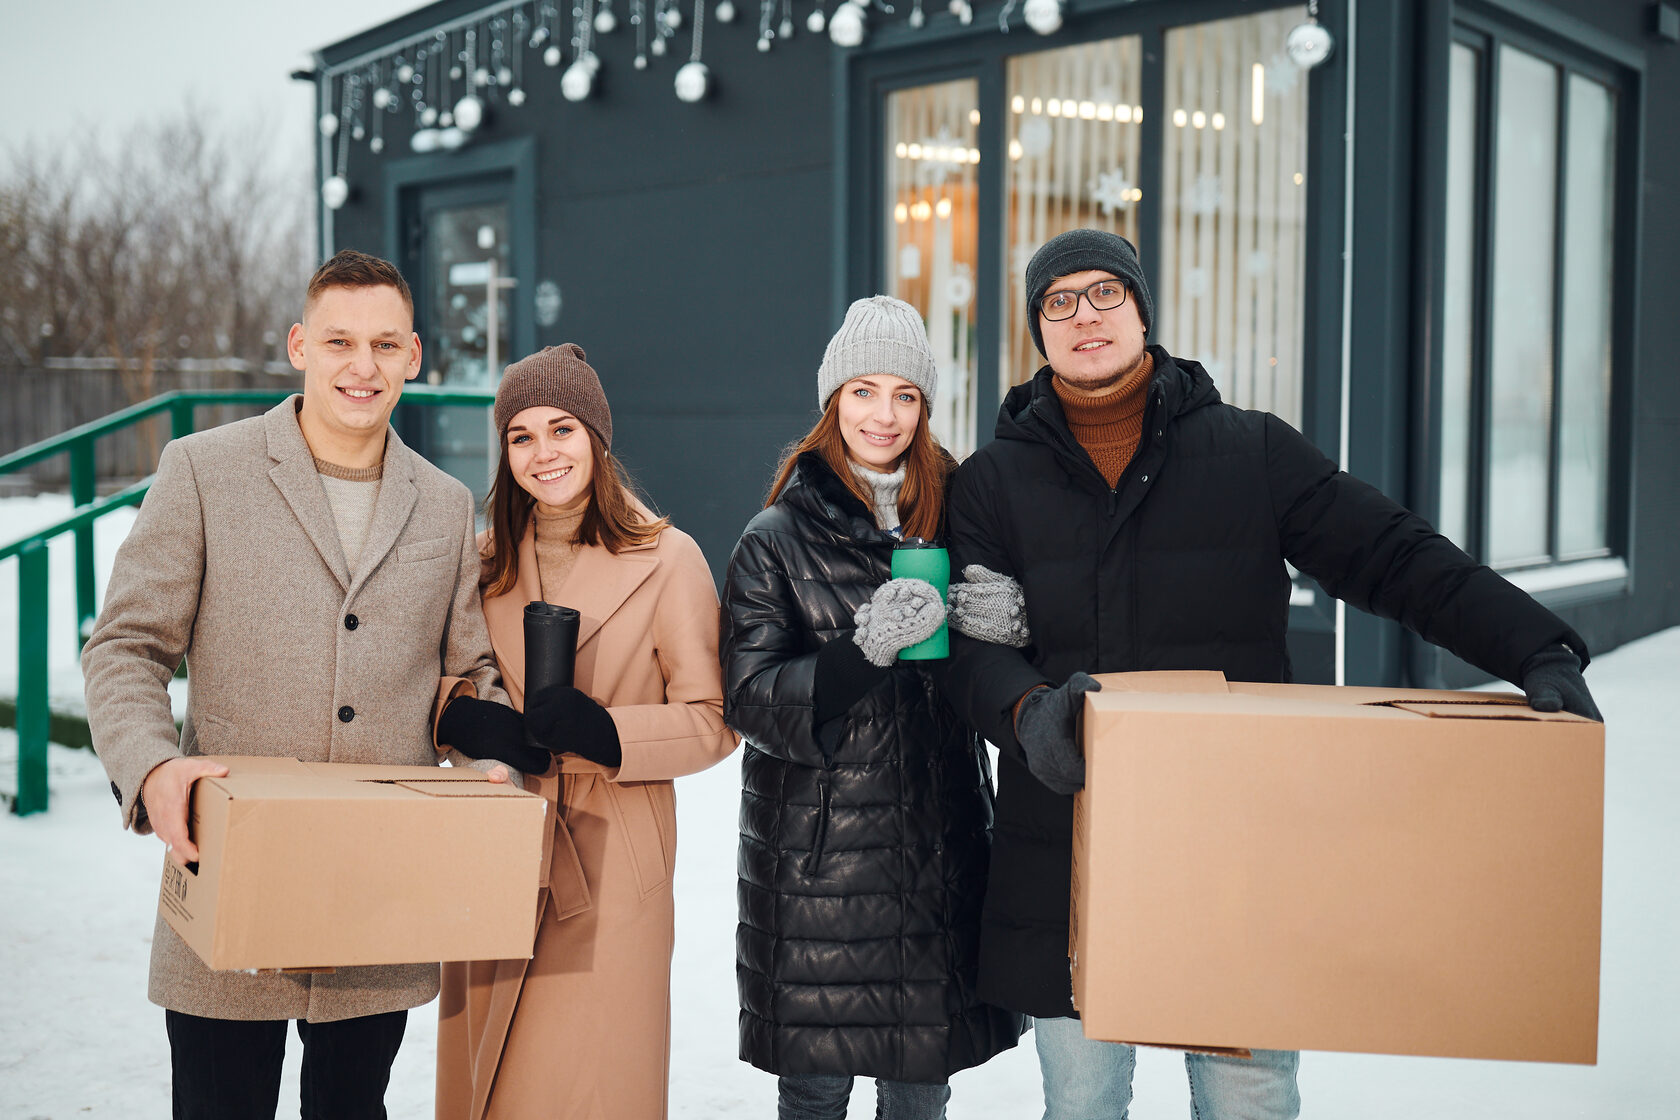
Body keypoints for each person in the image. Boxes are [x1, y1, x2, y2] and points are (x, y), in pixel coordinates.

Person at [935, 228, 1604, 1120]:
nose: (1083, 315)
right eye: (1058, 301)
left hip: (1235, 844)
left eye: (1105, 293)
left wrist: (1536, 647)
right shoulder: (988, 484)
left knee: (1250, 1097)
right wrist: (1024, 715)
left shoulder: (1249, 452)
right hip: (1068, 842)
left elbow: (1392, 556)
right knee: (1082, 1100)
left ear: (1141, 311)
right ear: (1037, 330)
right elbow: (973, 645)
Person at [81, 249, 527, 1120]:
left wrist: (490, 753)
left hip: (380, 897)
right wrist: (151, 768)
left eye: (384, 344)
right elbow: (126, 646)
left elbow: (467, 671)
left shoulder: (442, 502)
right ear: (298, 345)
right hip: (228, 876)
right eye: (339, 341)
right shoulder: (204, 470)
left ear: (415, 356)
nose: (362, 366)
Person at [721, 296, 1024, 1120]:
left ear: (925, 407)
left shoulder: (964, 514)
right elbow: (749, 699)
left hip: (938, 849)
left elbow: (1001, 679)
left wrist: (998, 629)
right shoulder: (775, 536)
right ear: (832, 402)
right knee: (815, 1090)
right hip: (820, 865)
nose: (882, 415)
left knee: (921, 1088)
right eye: (863, 391)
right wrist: (861, 652)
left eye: (904, 395)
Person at [435, 342, 737, 1120]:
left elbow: (715, 719)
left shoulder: (668, 559)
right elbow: (434, 677)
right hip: (499, 838)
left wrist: (605, 731)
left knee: (597, 1082)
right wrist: (462, 715)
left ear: (596, 438)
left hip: (613, 847)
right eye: (522, 435)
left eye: (562, 428)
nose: (544, 453)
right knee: (493, 1080)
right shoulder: (479, 562)